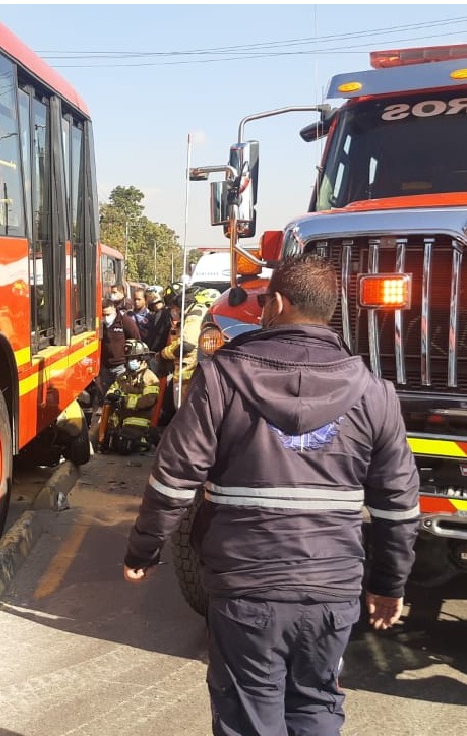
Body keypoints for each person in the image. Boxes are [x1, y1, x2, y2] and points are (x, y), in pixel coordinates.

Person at [122, 254, 419, 736]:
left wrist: (144, 549)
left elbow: (174, 476)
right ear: (331, 310)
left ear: (276, 303)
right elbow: (399, 505)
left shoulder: (222, 378)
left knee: (250, 714)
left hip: (247, 588)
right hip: (332, 588)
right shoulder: (374, 392)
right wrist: (388, 585)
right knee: (317, 704)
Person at [156, 286, 219, 419]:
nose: (173, 310)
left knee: (185, 417)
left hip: (188, 378)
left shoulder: (194, 315)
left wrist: (163, 354)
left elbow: (186, 344)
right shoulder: (201, 313)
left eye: (174, 306)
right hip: (194, 375)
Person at [101, 340, 161, 454]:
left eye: (132, 359)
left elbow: (149, 400)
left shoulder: (150, 378)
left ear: (142, 359)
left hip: (137, 419)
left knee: (125, 446)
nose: (129, 362)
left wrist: (125, 401)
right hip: (120, 419)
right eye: (128, 359)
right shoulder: (124, 376)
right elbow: (113, 388)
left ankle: (147, 437)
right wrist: (111, 394)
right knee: (110, 443)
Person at [99, 298, 141, 392]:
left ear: (114, 309)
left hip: (121, 367)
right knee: (106, 396)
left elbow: (137, 340)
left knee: (121, 394)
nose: (106, 317)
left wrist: (134, 359)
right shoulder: (100, 324)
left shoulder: (125, 321)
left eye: (108, 314)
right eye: (103, 315)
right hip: (105, 367)